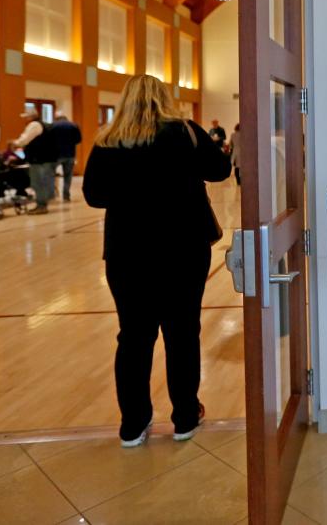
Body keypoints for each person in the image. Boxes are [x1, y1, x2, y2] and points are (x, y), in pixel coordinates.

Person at [82, 75, 231, 447]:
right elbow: (220, 171)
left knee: (133, 336)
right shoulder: (187, 132)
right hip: (183, 247)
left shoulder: (109, 138)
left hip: (127, 251)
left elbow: (94, 196)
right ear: (165, 98)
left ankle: (133, 424)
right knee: (182, 333)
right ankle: (183, 417)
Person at [12, 109, 58, 214]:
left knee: (38, 183)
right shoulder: (45, 124)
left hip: (39, 159)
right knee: (43, 182)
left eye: (26, 117)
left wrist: (15, 143)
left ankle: (41, 206)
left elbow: (24, 140)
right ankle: (42, 204)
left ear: (31, 117)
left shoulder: (34, 125)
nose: (25, 120)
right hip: (46, 158)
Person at [51, 114, 82, 202]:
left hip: (56, 155)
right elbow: (79, 140)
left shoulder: (53, 126)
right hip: (70, 154)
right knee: (68, 176)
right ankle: (66, 195)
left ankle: (53, 194)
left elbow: (49, 140)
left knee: (50, 174)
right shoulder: (73, 125)